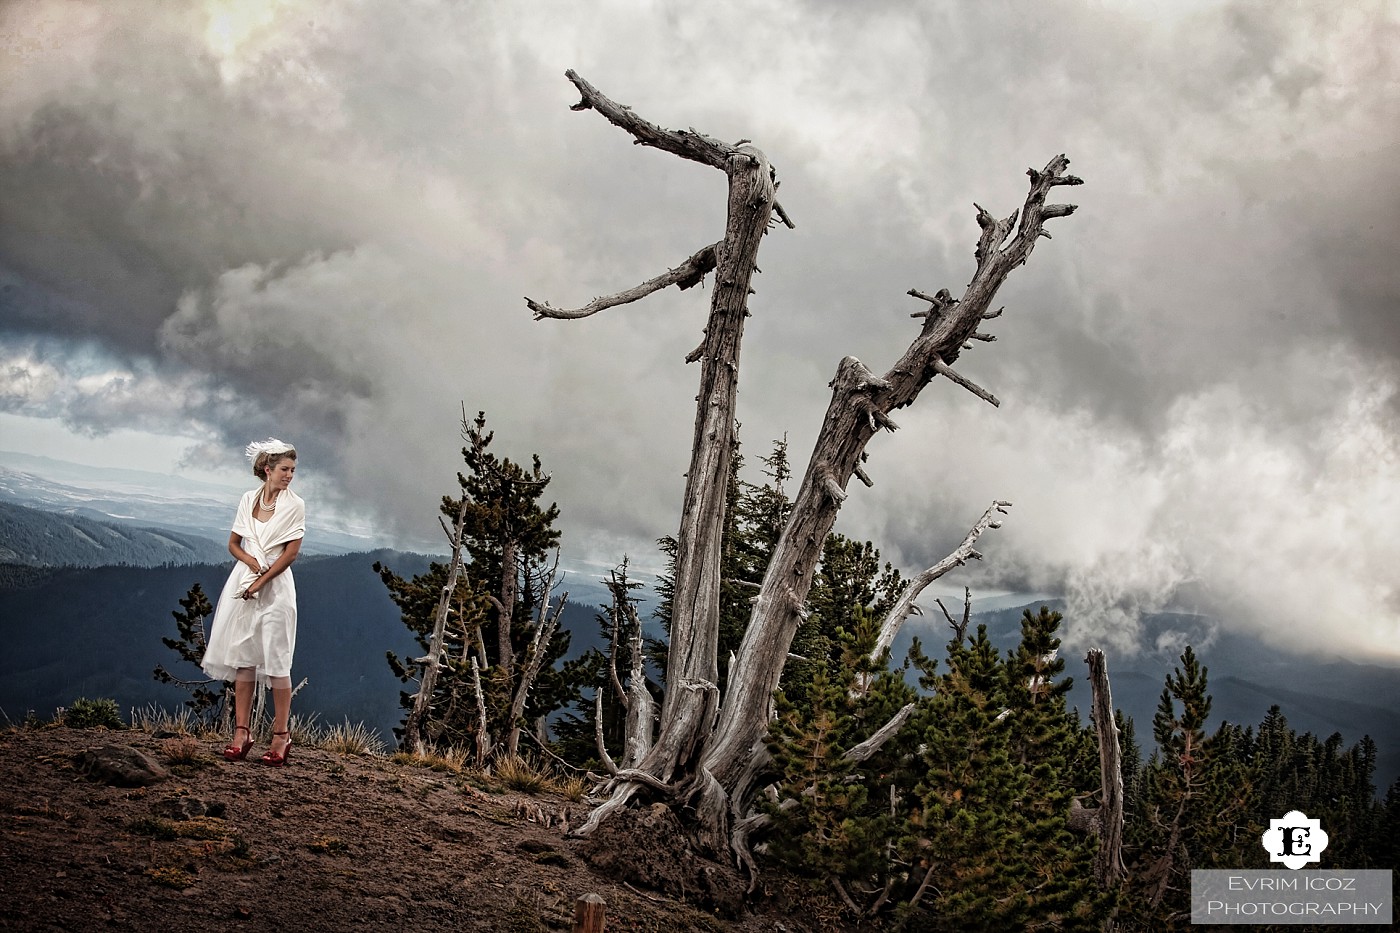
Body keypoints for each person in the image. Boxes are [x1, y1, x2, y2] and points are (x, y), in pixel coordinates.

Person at [202, 438, 305, 766]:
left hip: (276, 588)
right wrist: (249, 565)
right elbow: (233, 543)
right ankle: (241, 732)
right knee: (244, 658)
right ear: (267, 469)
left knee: (277, 660)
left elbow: (291, 553)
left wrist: (261, 580)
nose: (289, 475)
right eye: (284, 469)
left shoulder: (295, 505)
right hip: (245, 581)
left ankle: (281, 736)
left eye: (292, 470)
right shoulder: (248, 499)